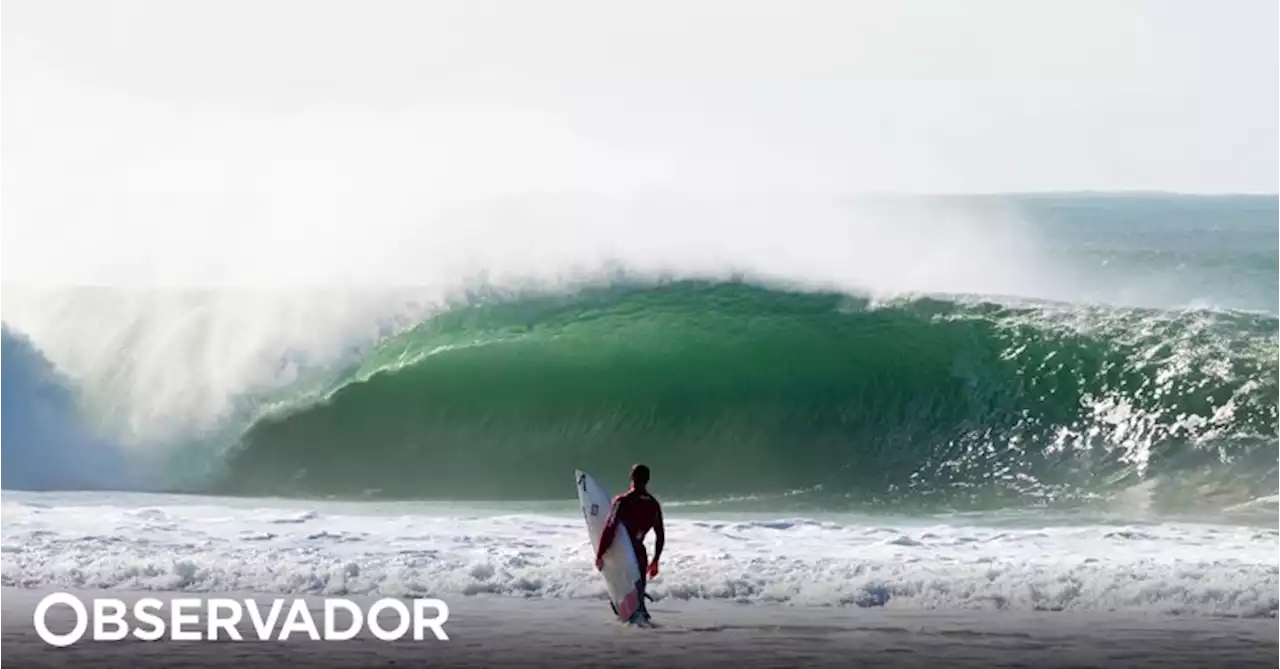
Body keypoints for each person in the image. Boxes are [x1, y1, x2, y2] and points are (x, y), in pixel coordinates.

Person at [595, 463, 664, 620]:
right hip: (640, 554)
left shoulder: (623, 501)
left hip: (623, 553)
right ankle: (644, 626)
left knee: (622, 595)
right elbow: (660, 535)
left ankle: (632, 632)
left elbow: (610, 528)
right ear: (648, 480)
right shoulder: (653, 504)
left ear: (631, 478)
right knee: (637, 597)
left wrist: (600, 553)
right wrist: (655, 561)